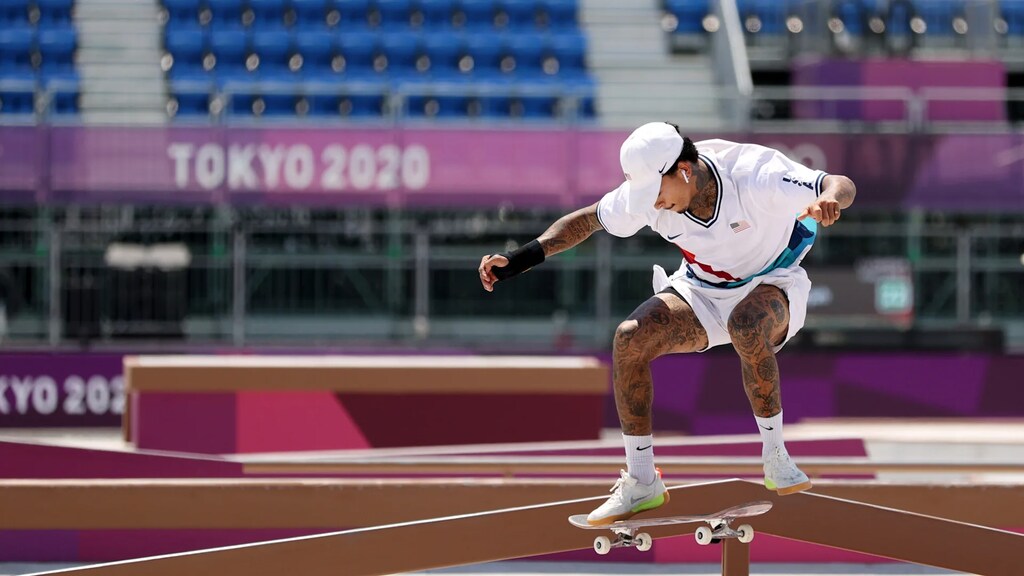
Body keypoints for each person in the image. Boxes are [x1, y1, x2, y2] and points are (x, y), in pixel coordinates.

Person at [477, 122, 857, 526]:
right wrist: (518, 259)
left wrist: (830, 200)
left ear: (684, 171)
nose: (654, 206)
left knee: (746, 326)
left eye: (657, 194)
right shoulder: (647, 195)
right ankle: (642, 482)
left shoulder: (752, 171)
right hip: (702, 288)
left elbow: (840, 183)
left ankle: (776, 457)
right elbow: (586, 221)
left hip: (774, 280)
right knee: (629, 339)